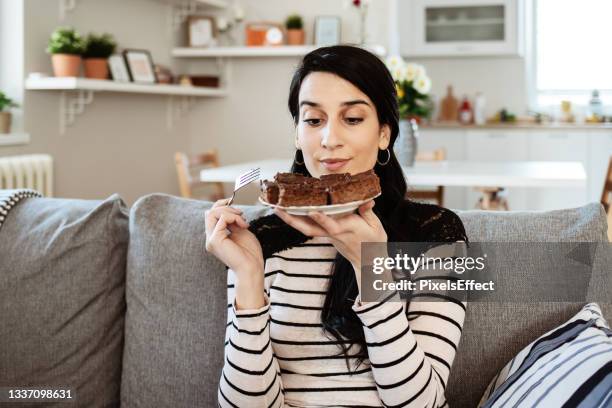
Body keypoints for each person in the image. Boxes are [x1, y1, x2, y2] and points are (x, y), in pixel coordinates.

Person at [205, 45, 468, 408]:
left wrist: (371, 267)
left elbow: (420, 403)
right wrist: (248, 276)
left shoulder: (436, 234)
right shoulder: (259, 241)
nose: (329, 139)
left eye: (353, 119)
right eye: (313, 120)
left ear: (384, 135)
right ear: (298, 135)